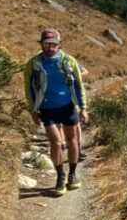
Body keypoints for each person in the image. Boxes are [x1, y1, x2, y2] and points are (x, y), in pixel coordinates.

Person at [24, 28, 88, 196]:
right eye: (47, 44)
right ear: (42, 44)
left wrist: (83, 107)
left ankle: (72, 175)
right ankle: (60, 176)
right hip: (47, 108)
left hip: (68, 106)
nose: (51, 48)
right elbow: (28, 88)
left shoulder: (69, 61)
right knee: (56, 142)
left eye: (54, 45)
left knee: (73, 141)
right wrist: (33, 109)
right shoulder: (33, 63)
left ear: (59, 45)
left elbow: (78, 85)